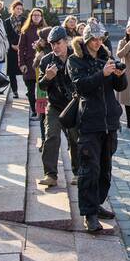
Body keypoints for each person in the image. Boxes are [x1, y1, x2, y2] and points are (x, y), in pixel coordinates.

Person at [67, 20, 127, 233]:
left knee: (105, 169)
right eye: (93, 39)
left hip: (109, 121)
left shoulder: (106, 56)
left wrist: (120, 75)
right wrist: (102, 74)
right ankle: (89, 213)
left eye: (100, 39)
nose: (97, 42)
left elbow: (120, 87)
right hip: (90, 121)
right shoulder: (75, 60)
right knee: (89, 169)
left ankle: (97, 203)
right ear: (86, 40)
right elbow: (81, 86)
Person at [37, 26, 79, 188]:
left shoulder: (76, 56)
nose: (55, 47)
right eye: (52, 44)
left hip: (73, 105)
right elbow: (41, 86)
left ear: (66, 41)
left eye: (58, 43)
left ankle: (78, 172)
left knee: (75, 138)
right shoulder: (47, 60)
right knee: (51, 136)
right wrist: (47, 78)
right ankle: (50, 174)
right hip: (54, 105)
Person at [18, 8, 46, 119]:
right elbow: (20, 48)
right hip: (29, 63)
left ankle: (41, 110)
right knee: (30, 90)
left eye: (38, 15)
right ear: (31, 16)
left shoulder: (45, 30)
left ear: (41, 17)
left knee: (42, 89)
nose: (36, 17)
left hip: (42, 63)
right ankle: (33, 110)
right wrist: (21, 64)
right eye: (34, 15)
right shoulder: (25, 30)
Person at [3, 0, 24, 98]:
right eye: (17, 8)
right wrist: (11, 45)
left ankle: (29, 89)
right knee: (12, 72)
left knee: (25, 70)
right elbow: (5, 35)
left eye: (21, 9)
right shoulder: (7, 21)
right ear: (13, 9)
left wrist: (21, 46)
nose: (19, 10)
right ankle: (15, 91)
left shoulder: (24, 20)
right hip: (11, 48)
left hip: (23, 48)